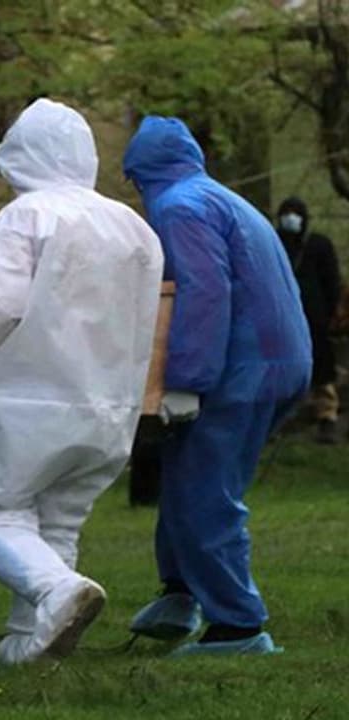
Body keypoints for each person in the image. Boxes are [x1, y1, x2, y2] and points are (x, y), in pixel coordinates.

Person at [0, 98, 165, 665]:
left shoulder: (28, 216)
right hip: (110, 408)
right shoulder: (135, 229)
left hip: (26, 402)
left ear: (20, 155)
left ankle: (55, 592)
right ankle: (29, 642)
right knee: (58, 523)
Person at [123, 116, 311, 656]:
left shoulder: (179, 207)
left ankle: (238, 626)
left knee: (204, 490)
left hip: (241, 369)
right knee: (189, 477)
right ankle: (180, 593)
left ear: (139, 173)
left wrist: (188, 380)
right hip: (279, 360)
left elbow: (204, 293)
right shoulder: (222, 198)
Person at [275, 196, 343, 444]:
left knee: (322, 369)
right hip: (283, 319)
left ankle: (327, 417)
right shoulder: (275, 242)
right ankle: (279, 419)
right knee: (283, 368)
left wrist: (332, 311)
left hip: (315, 319)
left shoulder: (318, 244)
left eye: (295, 213)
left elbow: (331, 278)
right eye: (286, 213)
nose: (290, 218)